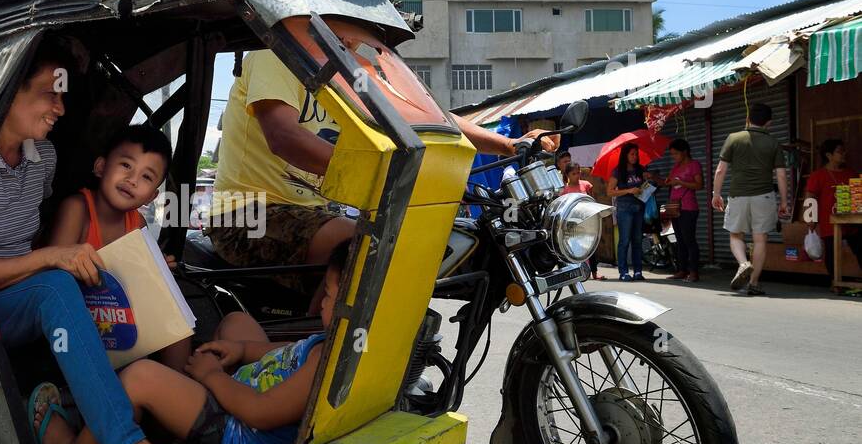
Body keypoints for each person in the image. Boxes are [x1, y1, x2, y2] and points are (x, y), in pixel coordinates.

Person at [0, 36, 205, 444]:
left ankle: (167, 420)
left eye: (62, 96)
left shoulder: (43, 158)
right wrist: (55, 258)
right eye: (49, 94)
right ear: (10, 92)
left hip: (36, 291)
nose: (59, 107)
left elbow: (31, 241)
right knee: (55, 284)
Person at [208, 49, 559, 274]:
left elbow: (428, 118)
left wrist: (509, 144)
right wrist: (383, 174)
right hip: (245, 214)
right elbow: (284, 137)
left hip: (316, 214)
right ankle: (320, 353)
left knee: (428, 243)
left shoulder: (348, 74)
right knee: (366, 245)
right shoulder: (277, 54)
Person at [36, 241, 349, 444]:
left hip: (239, 437)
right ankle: (174, 419)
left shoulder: (326, 360)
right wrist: (240, 349)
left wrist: (211, 376)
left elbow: (260, 413)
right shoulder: (329, 344)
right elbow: (289, 352)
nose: (321, 301)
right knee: (236, 322)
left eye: (330, 296)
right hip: (242, 397)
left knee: (138, 377)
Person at [48, 123, 191, 369]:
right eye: (126, 165)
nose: (132, 180)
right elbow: (53, 277)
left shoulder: (138, 223)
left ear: (152, 196)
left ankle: (176, 383)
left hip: (119, 316)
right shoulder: (77, 209)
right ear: (101, 167)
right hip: (75, 316)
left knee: (175, 314)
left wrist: (157, 272)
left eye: (146, 177)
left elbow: (141, 286)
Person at [712, 102, 790, 296]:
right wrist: (784, 201)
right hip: (764, 196)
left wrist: (716, 194)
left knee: (735, 234)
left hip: (738, 195)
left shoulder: (734, 138)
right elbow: (781, 175)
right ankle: (754, 283)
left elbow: (721, 170)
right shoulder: (773, 143)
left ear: (748, 119)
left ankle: (743, 263)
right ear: (769, 123)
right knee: (760, 239)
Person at [804, 138, 861, 285]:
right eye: (840, 152)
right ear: (829, 155)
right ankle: (834, 282)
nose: (844, 154)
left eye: (844, 151)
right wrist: (810, 220)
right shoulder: (818, 175)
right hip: (829, 222)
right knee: (831, 252)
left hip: (852, 222)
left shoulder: (851, 173)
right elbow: (810, 197)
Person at [664, 138, 704, 282]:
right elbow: (667, 182)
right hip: (675, 208)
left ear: (684, 152)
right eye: (672, 154)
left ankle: (693, 272)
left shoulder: (694, 165)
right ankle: (682, 270)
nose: (674, 157)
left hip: (688, 207)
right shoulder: (676, 167)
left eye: (675, 154)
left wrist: (680, 182)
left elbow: (699, 185)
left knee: (689, 240)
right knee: (680, 241)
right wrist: (656, 178)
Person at [606, 143, 647, 281]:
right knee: (624, 240)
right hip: (624, 209)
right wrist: (629, 190)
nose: (635, 157)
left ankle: (638, 271)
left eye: (636, 154)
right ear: (625, 155)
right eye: (632, 154)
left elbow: (646, 186)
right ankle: (623, 272)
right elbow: (610, 191)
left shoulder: (641, 170)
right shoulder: (618, 171)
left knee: (637, 240)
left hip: (639, 208)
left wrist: (647, 185)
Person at [560, 161, 602, 279]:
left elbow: (592, 198)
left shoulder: (586, 185)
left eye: (578, 173)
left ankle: (595, 272)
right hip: (573, 222)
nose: (577, 175)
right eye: (574, 174)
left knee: (591, 247)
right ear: (568, 175)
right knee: (575, 248)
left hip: (588, 219)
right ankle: (576, 272)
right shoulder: (565, 190)